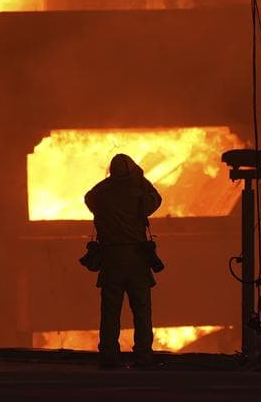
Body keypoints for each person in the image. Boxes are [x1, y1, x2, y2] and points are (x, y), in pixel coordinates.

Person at [84, 153, 163, 368]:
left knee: (110, 311)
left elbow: (89, 197)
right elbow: (156, 199)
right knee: (142, 310)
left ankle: (109, 356)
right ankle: (144, 356)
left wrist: (111, 181)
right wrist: (139, 178)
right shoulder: (140, 195)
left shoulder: (101, 196)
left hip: (111, 260)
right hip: (137, 260)